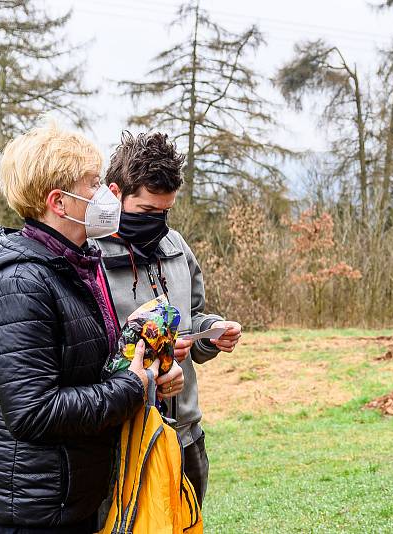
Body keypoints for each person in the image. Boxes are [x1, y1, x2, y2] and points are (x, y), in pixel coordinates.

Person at [0, 122, 183, 533]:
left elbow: (78, 366)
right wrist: (131, 388)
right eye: (94, 184)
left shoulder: (77, 264)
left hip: (76, 496)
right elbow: (33, 411)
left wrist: (141, 357)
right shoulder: (18, 284)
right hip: (33, 510)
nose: (105, 195)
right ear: (59, 202)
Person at [90, 131, 242, 508]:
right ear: (115, 193)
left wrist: (211, 334)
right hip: (124, 440)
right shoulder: (88, 258)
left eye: (165, 212)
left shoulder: (177, 248)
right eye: (146, 212)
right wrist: (154, 366)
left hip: (186, 436)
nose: (157, 223)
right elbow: (86, 351)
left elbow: (193, 318)